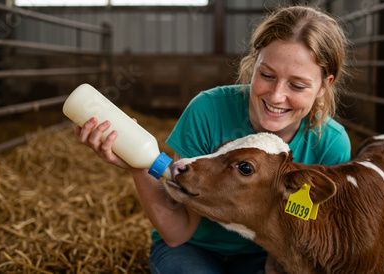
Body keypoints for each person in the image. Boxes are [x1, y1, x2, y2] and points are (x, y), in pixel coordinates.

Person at [75, 5, 351, 274]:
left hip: (266, 255)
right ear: (254, 60)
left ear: (324, 85)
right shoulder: (208, 110)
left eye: (297, 85)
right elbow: (177, 233)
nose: (277, 96)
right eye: (267, 75)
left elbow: (313, 238)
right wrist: (138, 167)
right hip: (192, 249)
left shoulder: (330, 145)